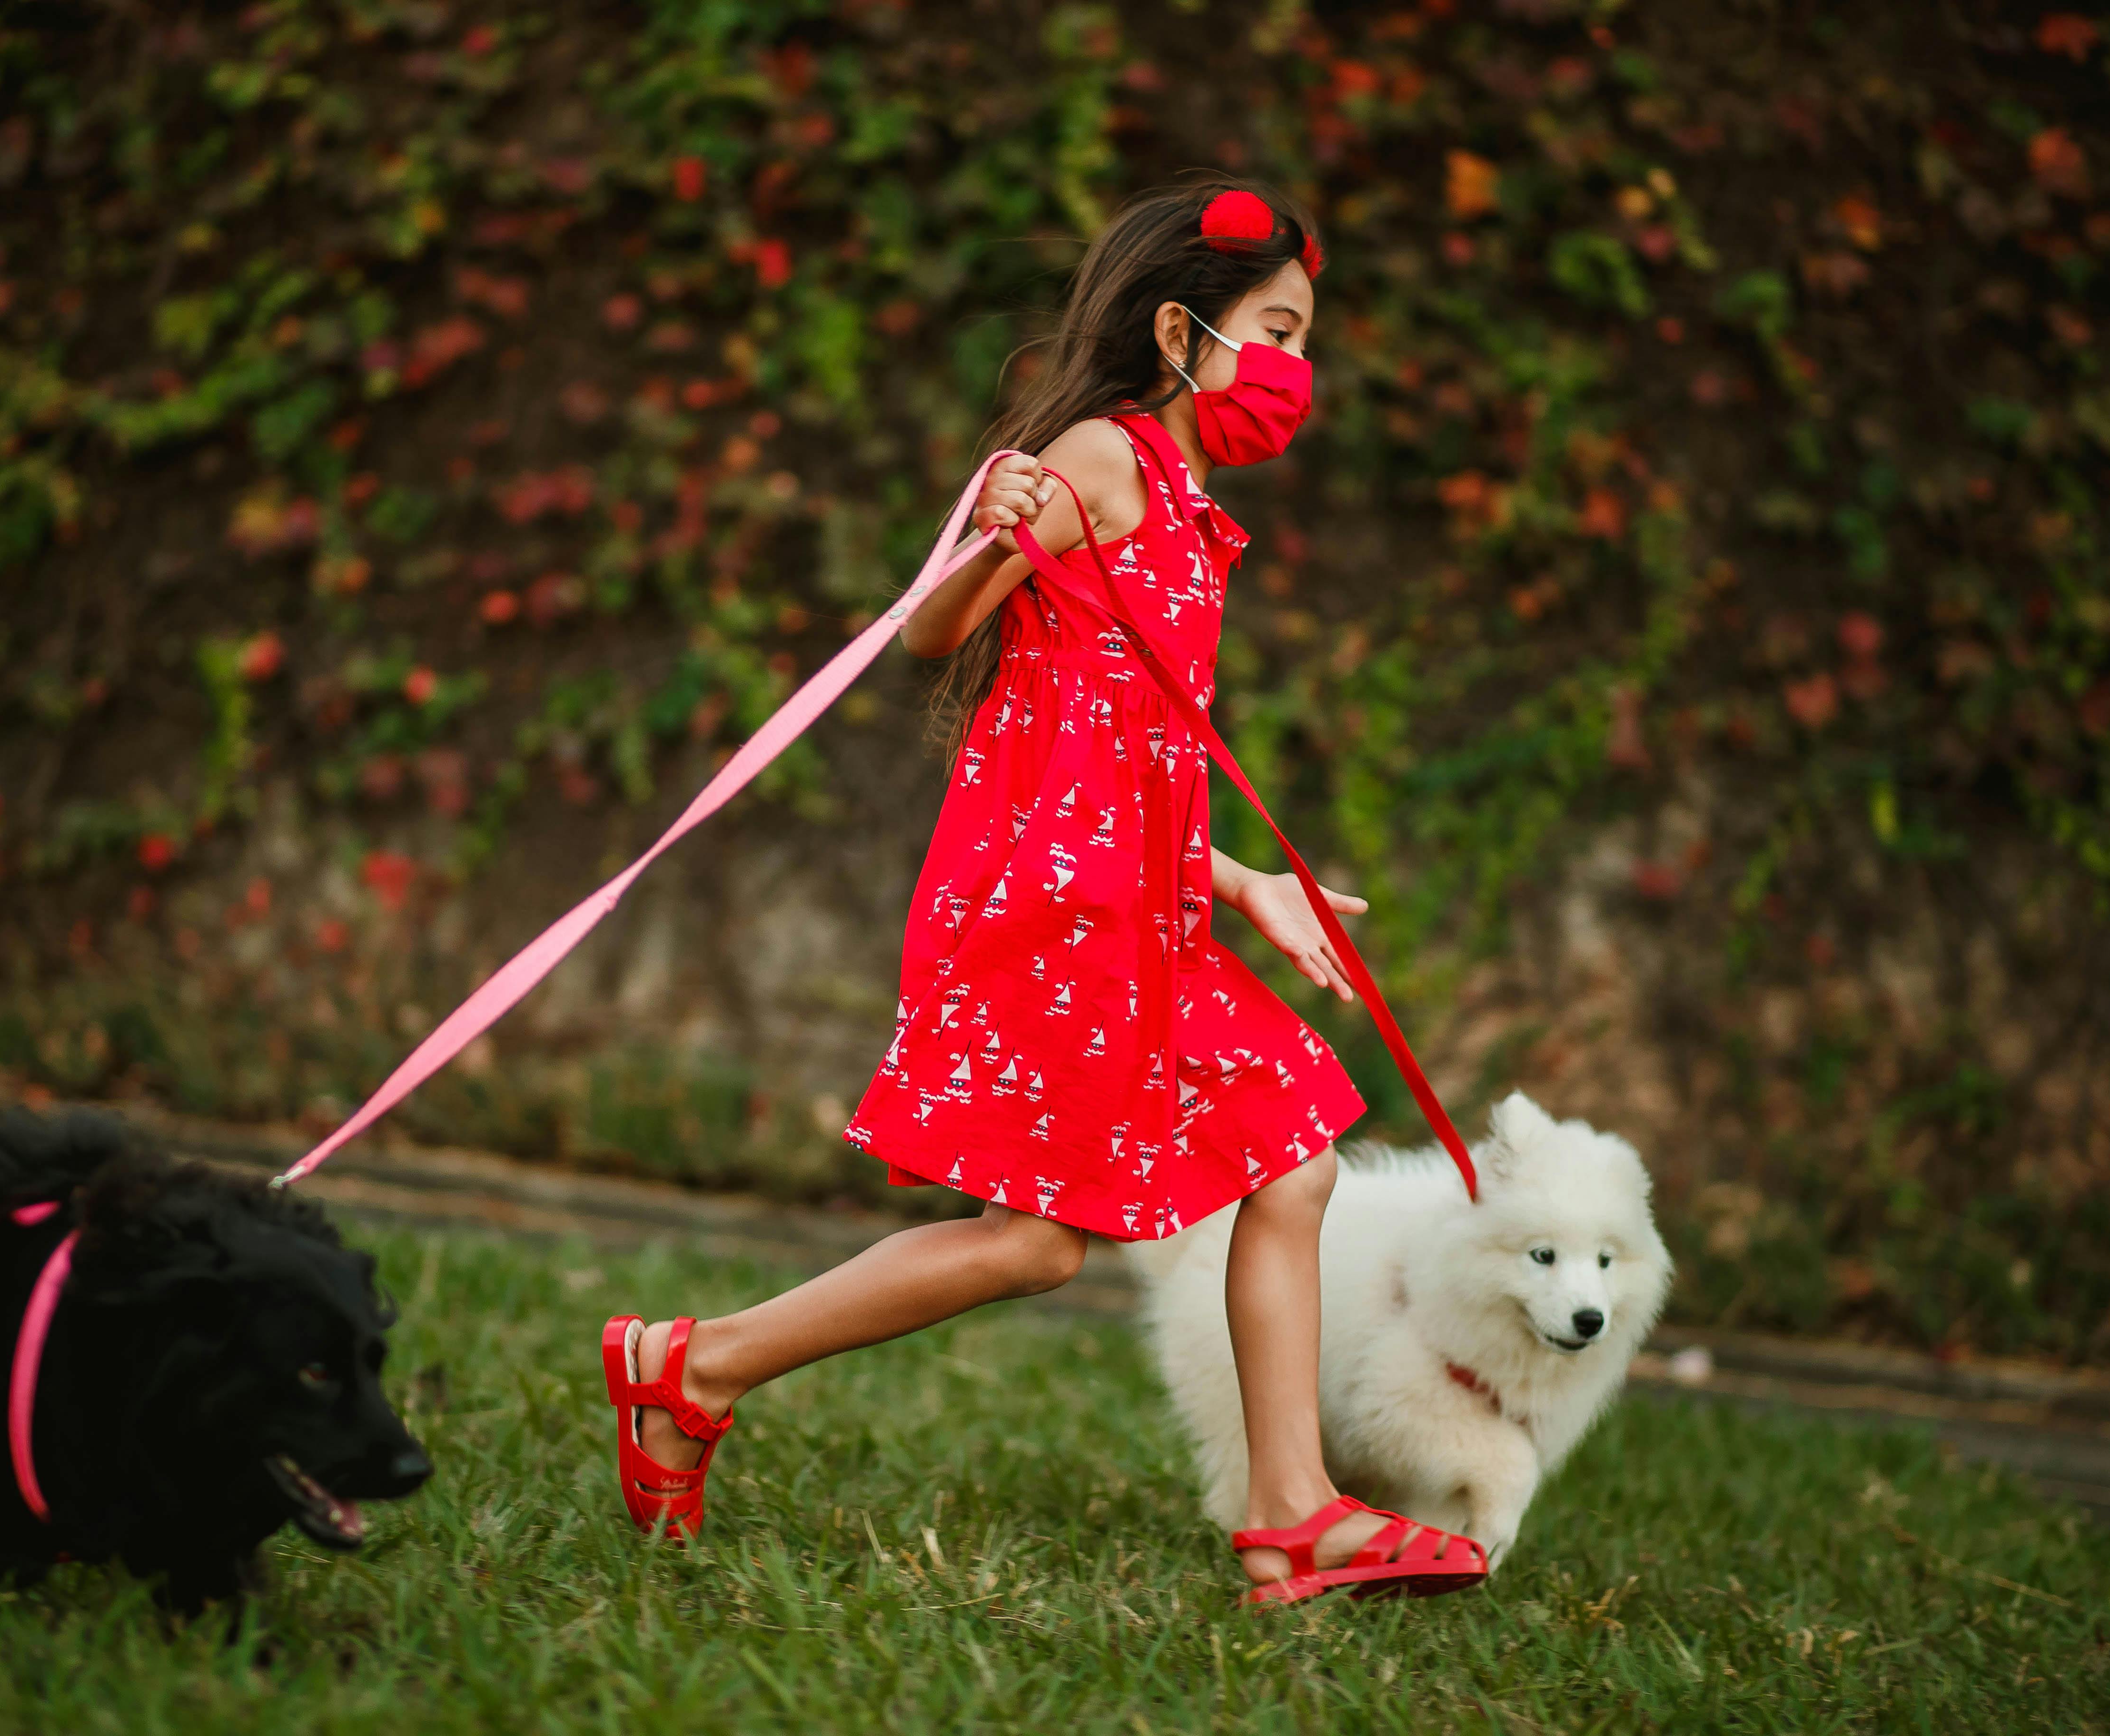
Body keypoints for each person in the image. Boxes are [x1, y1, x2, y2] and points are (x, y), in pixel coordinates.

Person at [600, 180, 1488, 1607]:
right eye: (1276, 331)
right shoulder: (1110, 453)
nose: (1294, 372)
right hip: (1052, 917)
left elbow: (1115, 756)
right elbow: (934, 631)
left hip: (1136, 902)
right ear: (1182, 330)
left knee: (1294, 1153)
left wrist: (1244, 877)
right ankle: (689, 1365)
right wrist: (998, 534)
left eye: (1306, 340)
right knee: (1034, 1247)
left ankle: (1293, 1513)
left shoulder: (1187, 502)